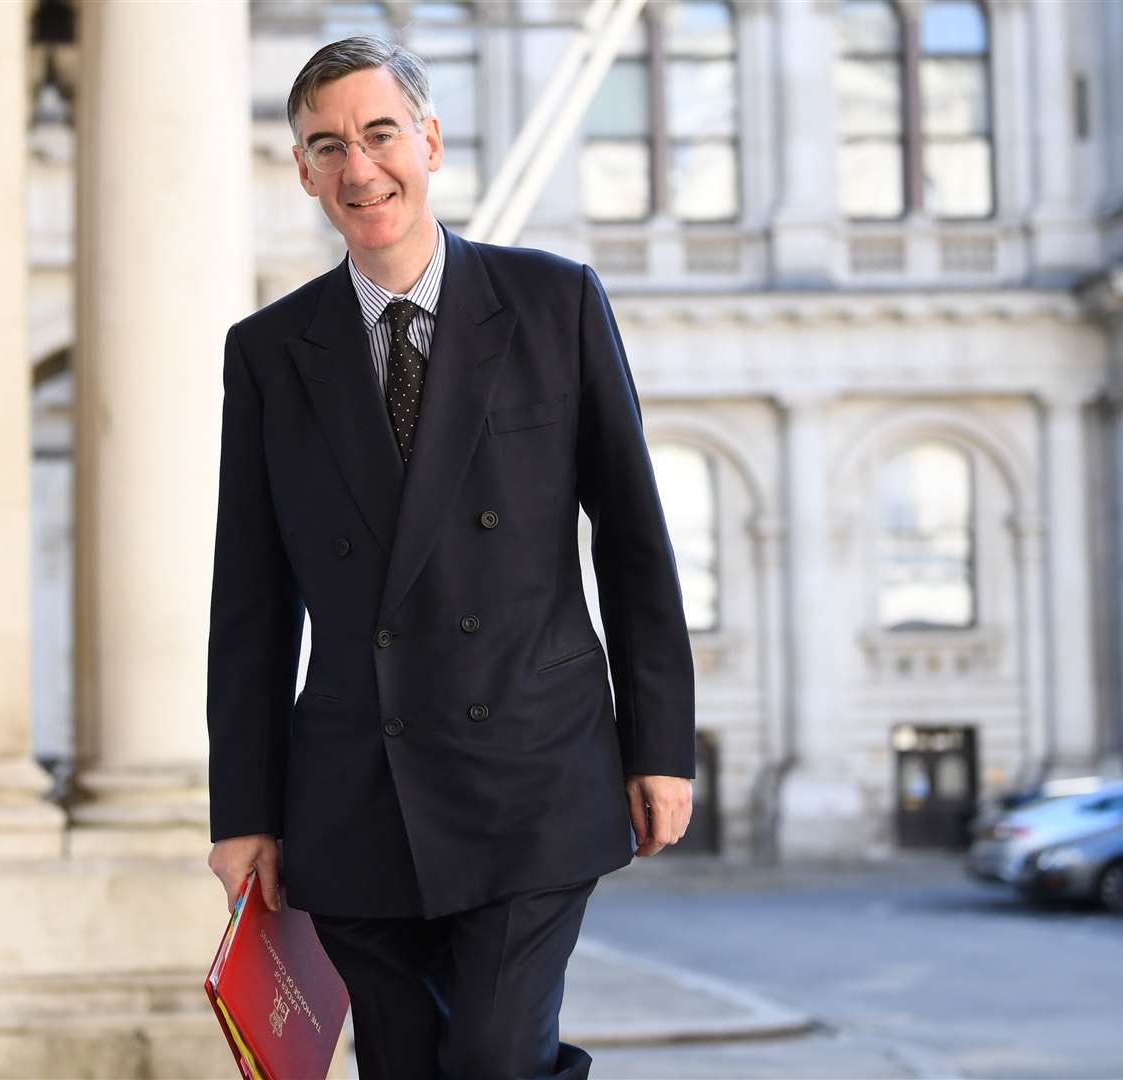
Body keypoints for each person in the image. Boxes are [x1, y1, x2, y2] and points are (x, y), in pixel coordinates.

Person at [205, 34, 696, 1080]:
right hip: (353, 789)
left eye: (380, 134)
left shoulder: (553, 304)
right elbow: (248, 600)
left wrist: (661, 742)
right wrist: (243, 811)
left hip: (532, 769)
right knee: (405, 1061)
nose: (358, 168)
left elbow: (634, 538)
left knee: (489, 1057)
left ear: (427, 141)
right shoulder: (267, 352)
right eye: (326, 146)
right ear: (301, 171)